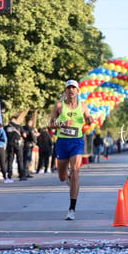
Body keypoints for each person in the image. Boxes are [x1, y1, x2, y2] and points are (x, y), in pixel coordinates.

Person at [49, 80, 93, 220]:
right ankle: (67, 176)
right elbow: (50, 125)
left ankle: (72, 209)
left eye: (73, 88)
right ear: (65, 91)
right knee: (62, 177)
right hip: (62, 142)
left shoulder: (83, 106)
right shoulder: (59, 106)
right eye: (68, 88)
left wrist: (89, 119)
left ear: (77, 91)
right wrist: (62, 124)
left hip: (76, 142)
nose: (71, 90)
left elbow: (88, 118)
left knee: (75, 172)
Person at [5, 116, 26, 181]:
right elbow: (25, 135)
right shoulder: (19, 126)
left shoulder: (6, 127)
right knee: (19, 159)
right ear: (15, 120)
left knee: (10, 160)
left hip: (9, 144)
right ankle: (21, 175)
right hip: (17, 144)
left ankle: (9, 176)